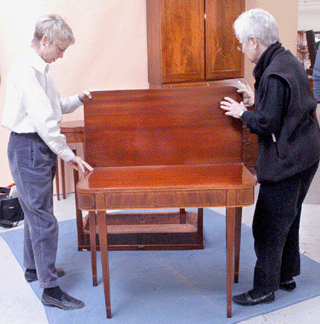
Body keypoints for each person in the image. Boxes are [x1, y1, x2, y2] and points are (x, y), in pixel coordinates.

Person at [220, 9, 320, 306]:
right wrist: (256, 101)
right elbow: (284, 105)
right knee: (289, 217)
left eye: (241, 43)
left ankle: (264, 288)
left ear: (254, 41)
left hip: (288, 160)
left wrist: (243, 113)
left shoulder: (274, 72)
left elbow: (268, 123)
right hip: (308, 153)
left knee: (268, 225)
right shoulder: (286, 60)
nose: (241, 48)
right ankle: (286, 275)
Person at [2, 14, 94, 310]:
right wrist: (69, 156)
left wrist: (79, 98)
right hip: (29, 147)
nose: (61, 56)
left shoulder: (40, 70)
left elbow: (54, 107)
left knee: (36, 213)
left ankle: (33, 268)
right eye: (60, 49)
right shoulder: (27, 70)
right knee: (44, 220)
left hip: (34, 147)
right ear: (45, 41)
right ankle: (50, 290)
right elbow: (45, 122)